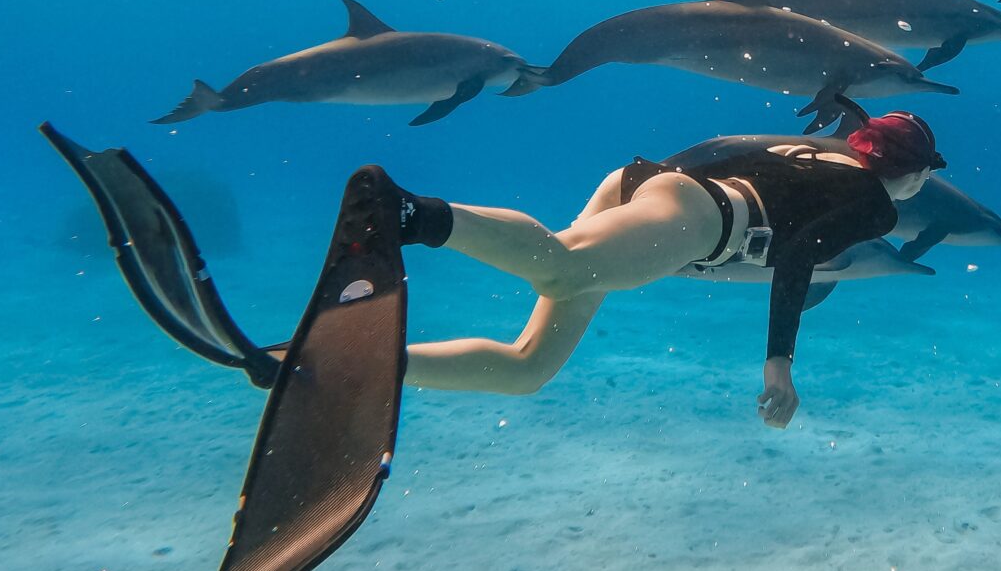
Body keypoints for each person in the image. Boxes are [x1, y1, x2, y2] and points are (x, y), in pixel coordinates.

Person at [356, 111, 945, 428]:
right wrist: (778, 365)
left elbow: (718, 153)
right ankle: (407, 212)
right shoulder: (877, 207)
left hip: (659, 191)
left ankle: (362, 366)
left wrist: (657, 216)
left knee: (528, 366)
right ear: (914, 173)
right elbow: (797, 257)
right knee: (561, 268)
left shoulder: (815, 155)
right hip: (699, 218)